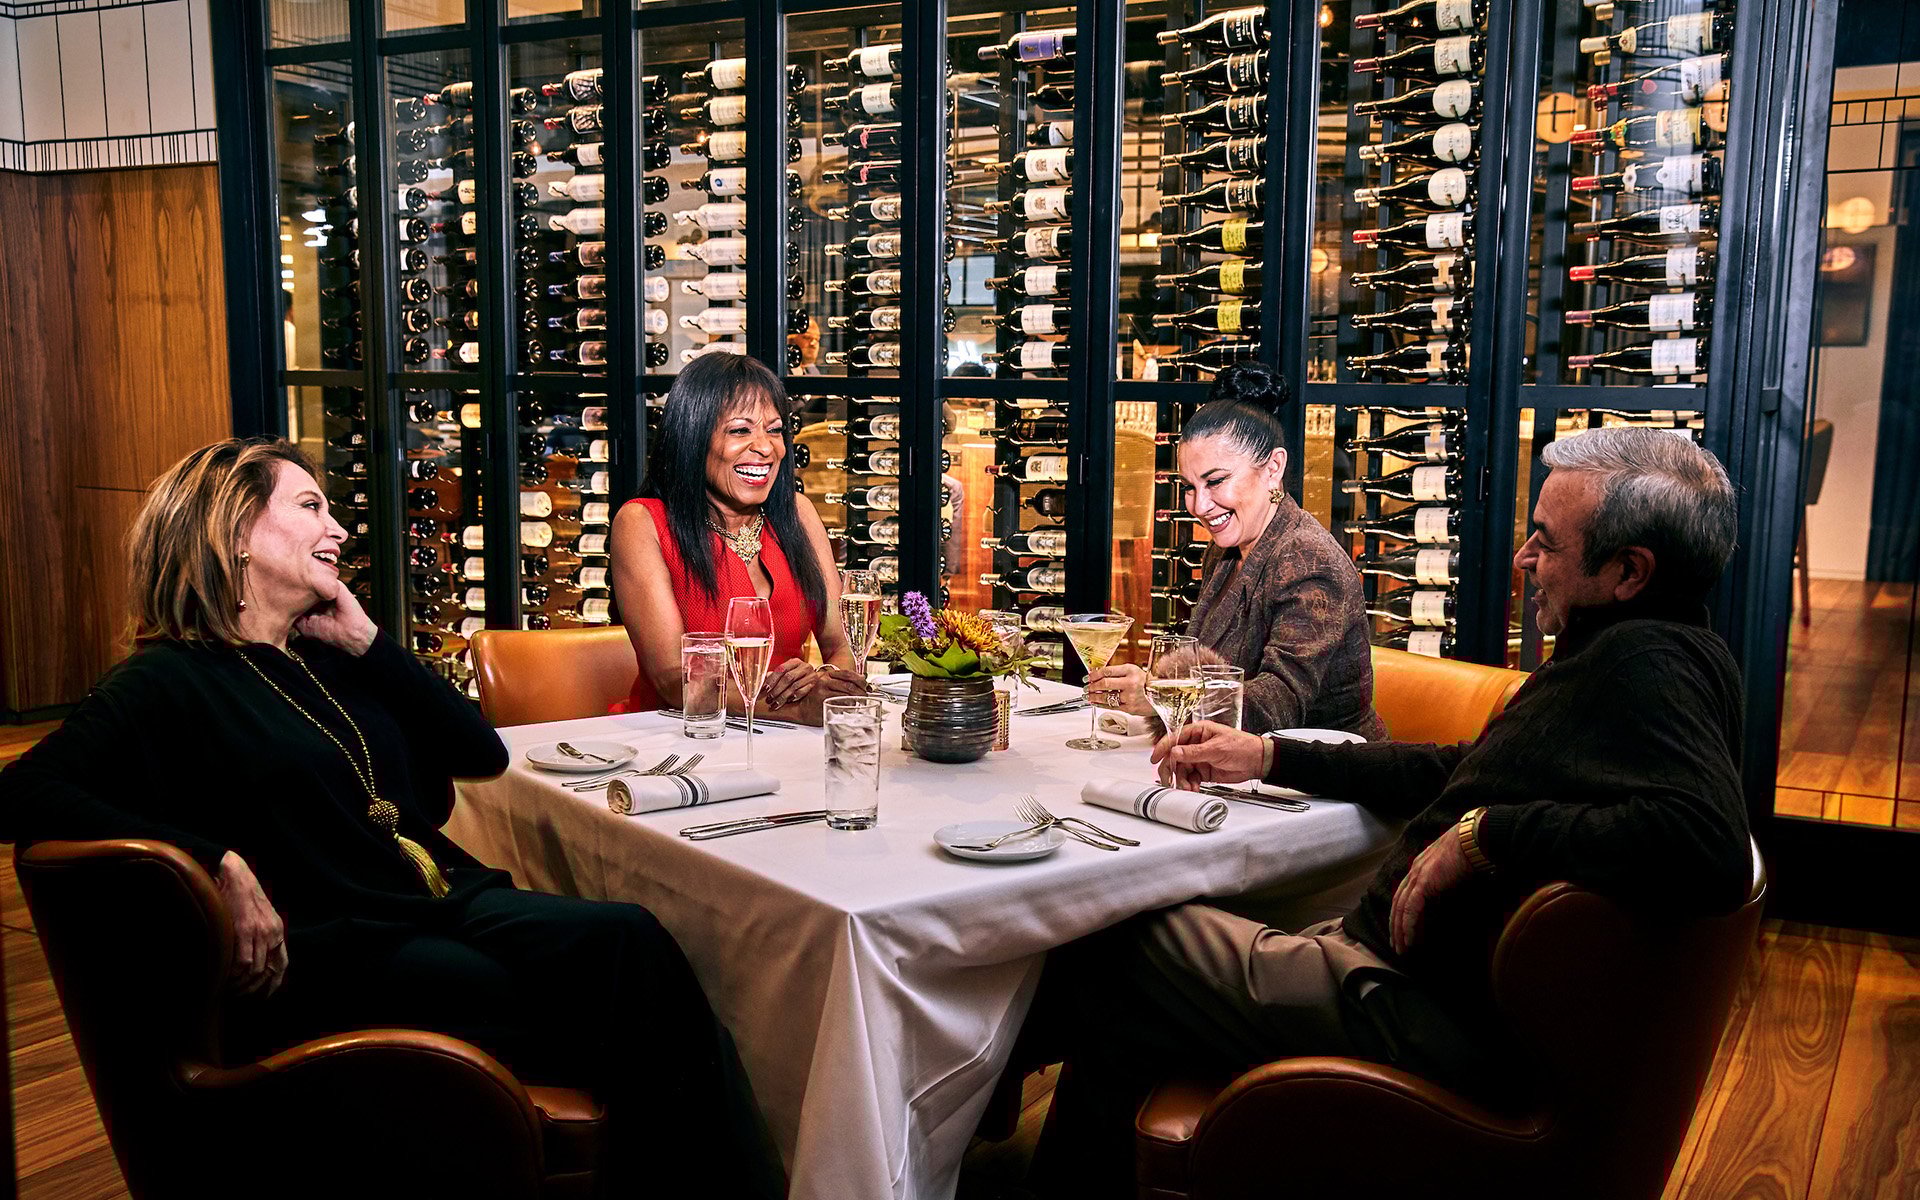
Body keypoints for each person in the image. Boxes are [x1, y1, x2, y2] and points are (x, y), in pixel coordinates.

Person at [0, 438, 783, 1199]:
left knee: (632, 940)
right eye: (311, 508)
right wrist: (215, 859)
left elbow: (479, 752)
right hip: (339, 948)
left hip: (438, 904)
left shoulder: (327, 654)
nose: (339, 530)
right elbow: (21, 790)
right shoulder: (164, 679)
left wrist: (371, 642)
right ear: (235, 532)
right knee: (628, 1013)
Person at [1026, 427, 1752, 1196]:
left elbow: (1710, 845)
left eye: (1545, 540)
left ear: (1628, 572)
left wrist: (1485, 837)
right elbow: (1454, 768)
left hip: (1402, 1005)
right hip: (1404, 976)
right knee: (1134, 997)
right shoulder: (1651, 649)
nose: (1523, 558)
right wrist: (1269, 757)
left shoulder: (1647, 667)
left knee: (1108, 931)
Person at [1086, 362, 1384, 739]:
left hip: (1319, 765)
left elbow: (1280, 704)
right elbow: (1203, 671)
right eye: (1189, 487)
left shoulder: (1309, 560)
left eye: (1215, 481)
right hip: (1235, 760)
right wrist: (1157, 689)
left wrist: (1157, 694)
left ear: (1273, 467)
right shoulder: (1226, 551)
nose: (1199, 505)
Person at [611, 352, 867, 722]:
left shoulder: (798, 513)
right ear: (693, 438)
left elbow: (842, 642)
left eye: (774, 430)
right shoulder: (642, 522)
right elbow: (673, 680)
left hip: (784, 737)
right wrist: (797, 707)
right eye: (740, 431)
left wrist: (824, 681)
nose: (765, 447)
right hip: (680, 737)